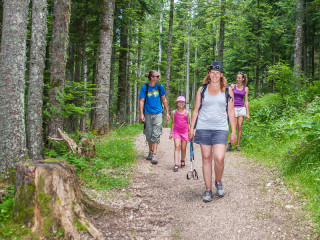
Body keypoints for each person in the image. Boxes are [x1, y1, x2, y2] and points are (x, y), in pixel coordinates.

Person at [189, 61, 236, 202]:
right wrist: (191, 128)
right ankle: (208, 189)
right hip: (203, 127)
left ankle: (219, 181)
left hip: (221, 128)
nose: (214, 75)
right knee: (206, 157)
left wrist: (233, 132)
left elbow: (231, 111)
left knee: (219, 157)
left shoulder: (228, 90)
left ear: (221, 75)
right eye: (212, 72)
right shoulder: (202, 90)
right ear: (209, 74)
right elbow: (196, 110)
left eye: (217, 72)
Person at [139, 70, 170, 165]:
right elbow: (141, 101)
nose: (158, 78)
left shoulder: (160, 87)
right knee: (149, 133)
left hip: (158, 113)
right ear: (152, 77)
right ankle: (150, 151)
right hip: (148, 113)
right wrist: (141, 114)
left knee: (156, 133)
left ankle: (154, 155)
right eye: (157, 76)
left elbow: (164, 100)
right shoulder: (145, 87)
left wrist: (167, 112)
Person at [228, 72, 250, 151]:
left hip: (241, 108)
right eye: (237, 78)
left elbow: (246, 101)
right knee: (234, 126)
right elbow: (228, 97)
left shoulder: (246, 88)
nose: (238, 79)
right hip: (233, 108)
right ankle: (230, 143)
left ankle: (238, 144)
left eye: (239, 78)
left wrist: (248, 113)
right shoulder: (232, 86)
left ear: (243, 79)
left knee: (240, 126)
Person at [169, 96, 190, 172]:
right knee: (177, 146)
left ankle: (182, 159)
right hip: (177, 132)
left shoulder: (187, 113)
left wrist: (190, 133)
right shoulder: (174, 112)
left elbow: (188, 123)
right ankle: (176, 164)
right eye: (179, 102)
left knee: (183, 148)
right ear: (177, 103)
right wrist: (171, 132)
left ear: (184, 103)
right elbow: (173, 123)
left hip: (185, 132)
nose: (181, 103)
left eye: (182, 102)